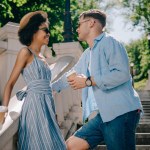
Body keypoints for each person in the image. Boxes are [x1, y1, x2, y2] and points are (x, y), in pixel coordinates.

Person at [52, 9, 143, 150]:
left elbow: (122, 74)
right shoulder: (88, 53)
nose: (76, 29)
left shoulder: (110, 42)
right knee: (70, 146)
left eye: (79, 24)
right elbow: (71, 74)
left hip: (121, 112)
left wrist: (89, 81)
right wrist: (48, 88)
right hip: (103, 116)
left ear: (91, 23)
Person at [2, 11, 67, 150]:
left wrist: (53, 112)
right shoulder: (26, 52)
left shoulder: (43, 58)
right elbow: (10, 84)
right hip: (33, 107)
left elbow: (48, 88)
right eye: (45, 30)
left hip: (48, 108)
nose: (49, 33)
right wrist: (3, 110)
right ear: (33, 31)